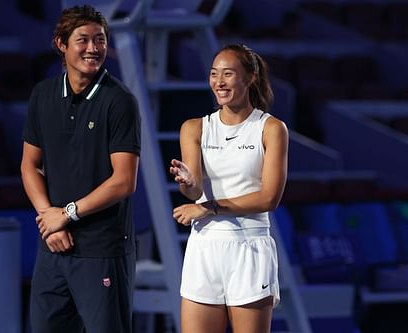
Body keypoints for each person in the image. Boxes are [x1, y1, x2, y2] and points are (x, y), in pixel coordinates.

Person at [20, 4, 141, 333]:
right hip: (53, 247)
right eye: (83, 39)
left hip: (102, 249)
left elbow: (124, 181)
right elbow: (29, 165)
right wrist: (50, 219)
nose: (94, 48)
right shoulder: (43, 94)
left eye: (100, 40)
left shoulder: (119, 101)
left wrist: (68, 213)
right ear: (61, 44)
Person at [169, 44, 288, 333]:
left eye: (228, 74)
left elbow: (269, 198)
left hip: (250, 247)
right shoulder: (194, 128)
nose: (219, 82)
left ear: (250, 78)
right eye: (213, 74)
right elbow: (194, 192)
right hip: (204, 247)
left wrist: (210, 207)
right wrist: (188, 182)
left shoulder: (271, 128)